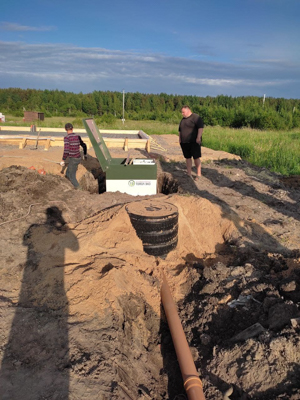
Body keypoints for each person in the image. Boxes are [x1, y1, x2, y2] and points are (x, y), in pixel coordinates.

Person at [178, 105, 204, 180]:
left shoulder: (196, 117)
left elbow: (200, 128)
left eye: (183, 112)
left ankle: (198, 174)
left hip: (194, 142)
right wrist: (180, 139)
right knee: (187, 158)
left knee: (196, 157)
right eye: (182, 112)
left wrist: (198, 137)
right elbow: (180, 130)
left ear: (188, 110)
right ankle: (188, 173)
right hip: (184, 142)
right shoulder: (183, 120)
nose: (182, 114)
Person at [60, 123, 87, 188]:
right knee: (67, 173)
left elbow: (66, 150)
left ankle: (80, 190)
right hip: (78, 158)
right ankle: (69, 186)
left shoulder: (66, 138)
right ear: (72, 128)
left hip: (73, 159)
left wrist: (63, 159)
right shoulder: (77, 136)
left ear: (65, 129)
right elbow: (84, 145)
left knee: (72, 176)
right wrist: (85, 154)